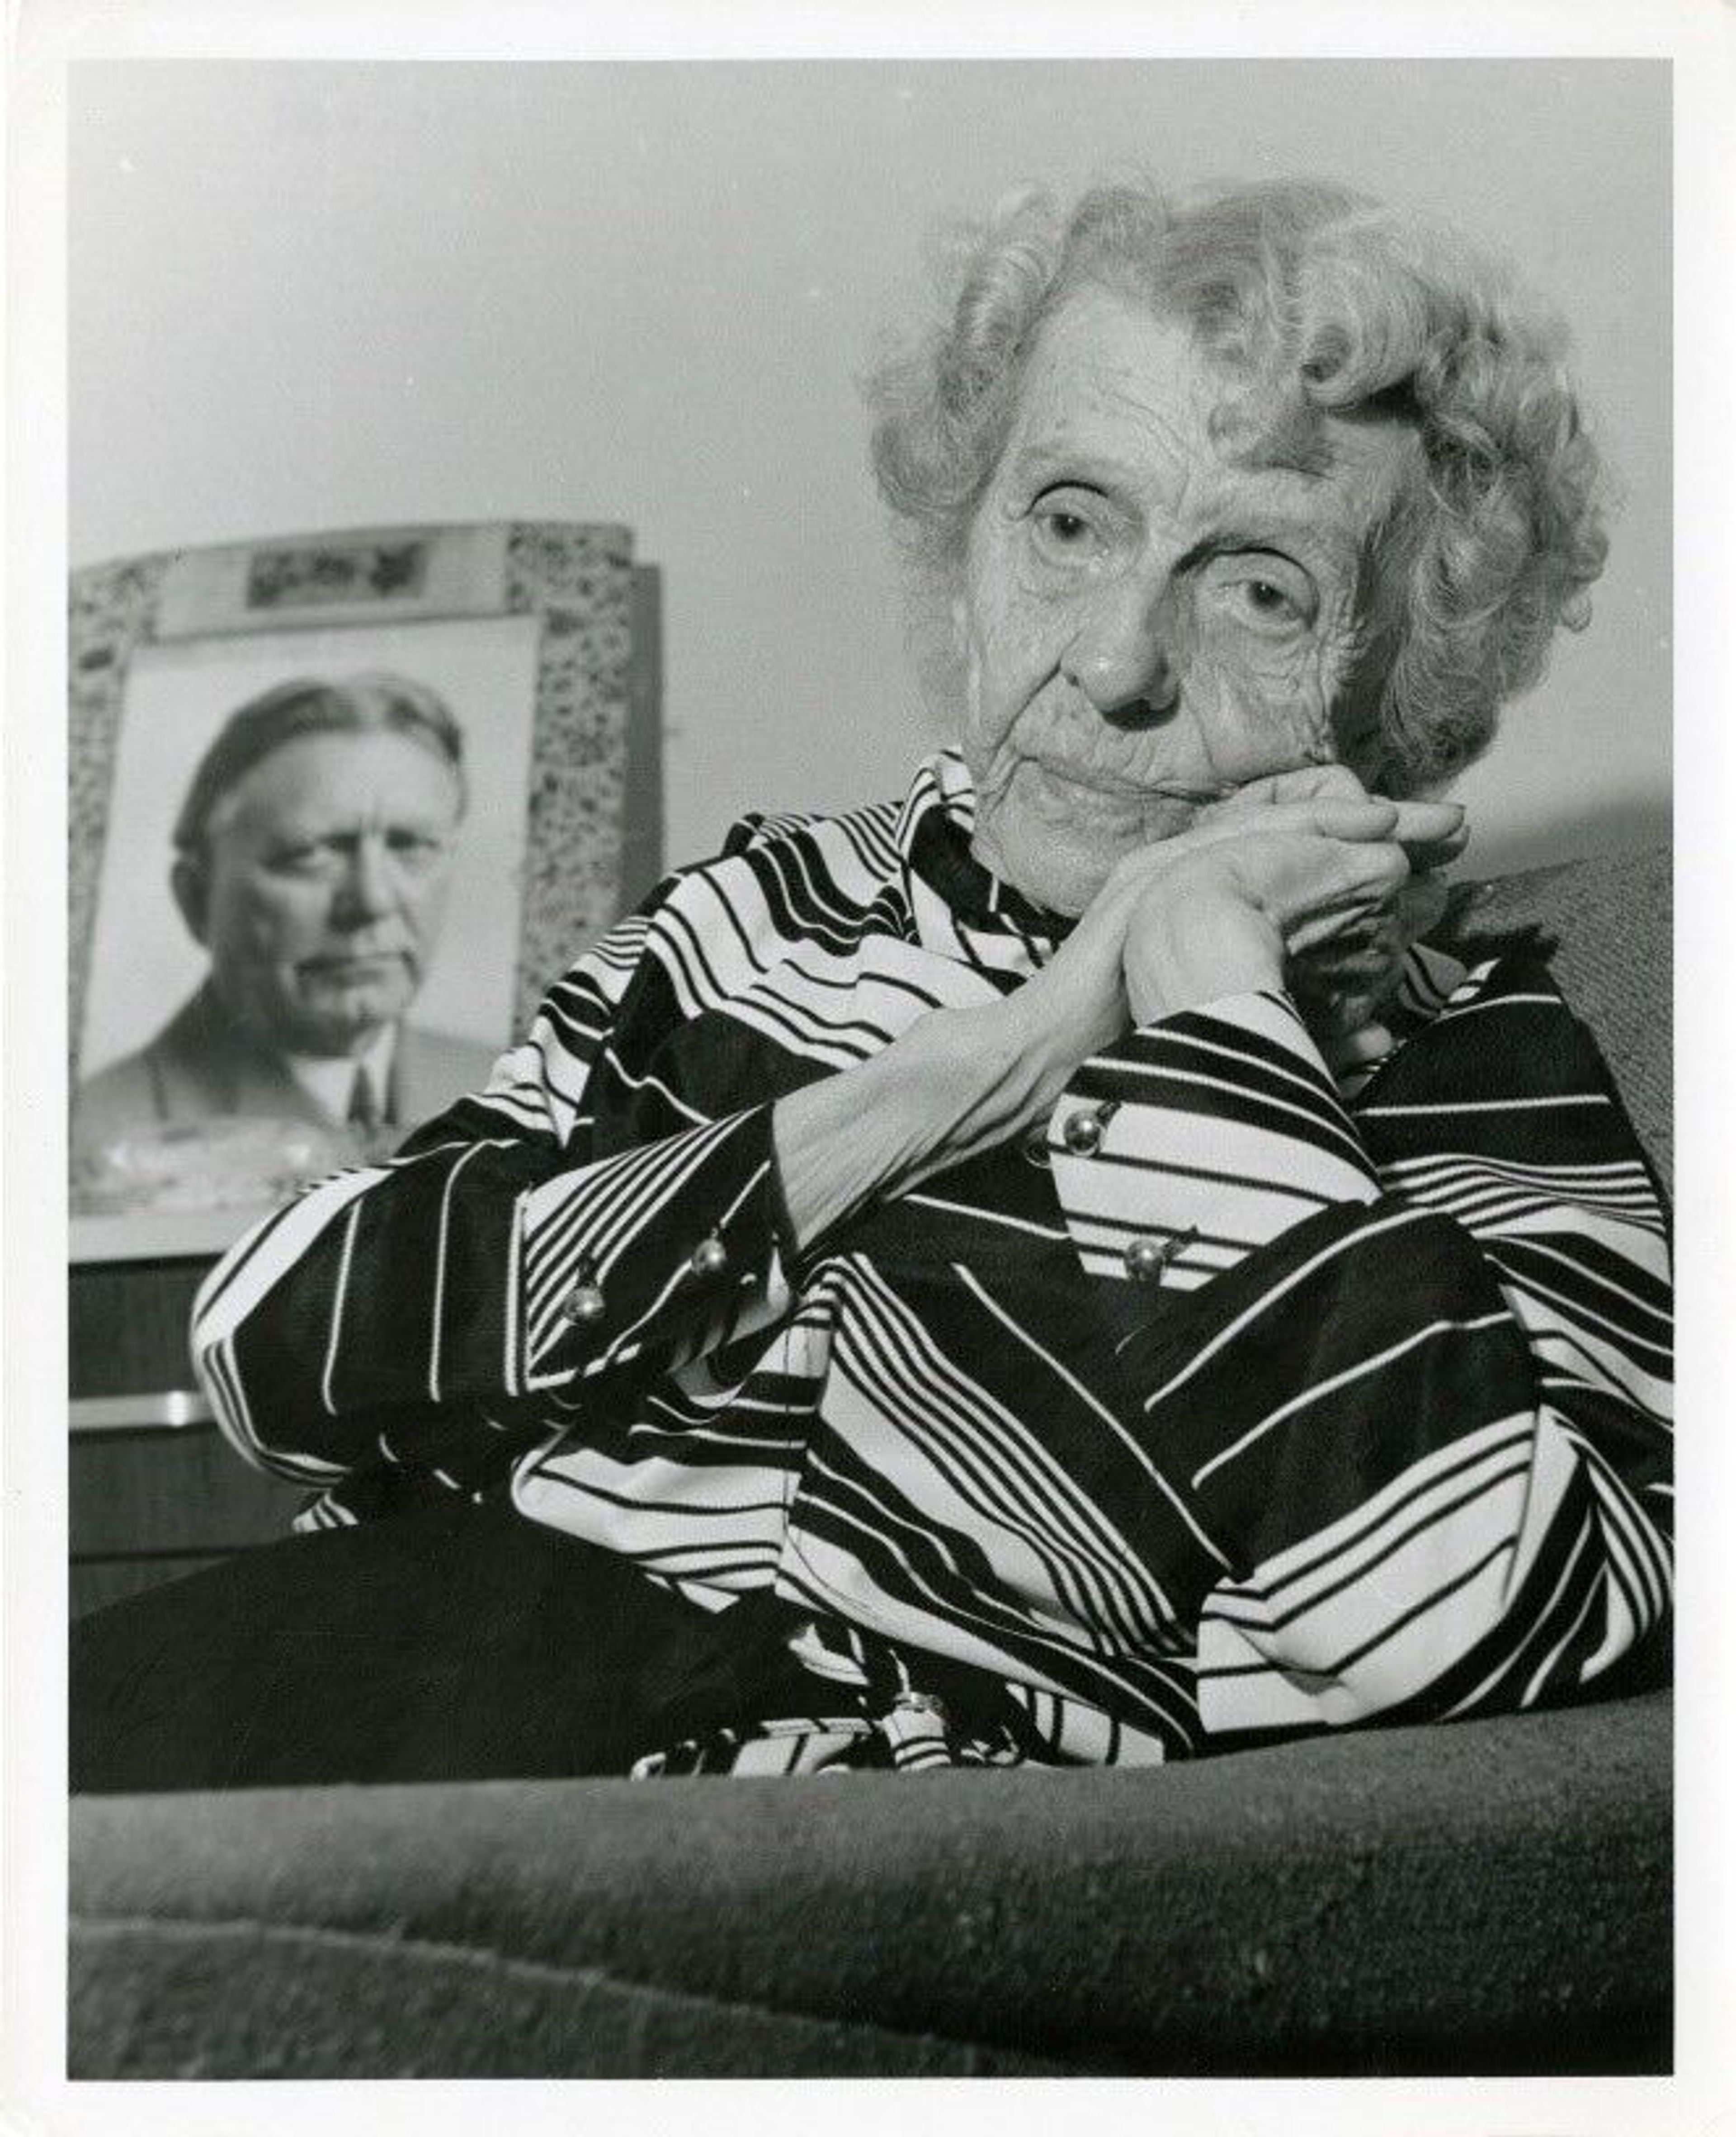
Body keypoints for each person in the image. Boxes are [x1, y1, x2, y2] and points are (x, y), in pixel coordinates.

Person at [73, 178, 1670, 1790]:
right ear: (968, 541)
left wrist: (1200, 989)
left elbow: (1482, 1613)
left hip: (854, 1850)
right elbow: (276, 1336)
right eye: (1068, 521)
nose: (1113, 660)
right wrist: (1009, 1051)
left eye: (1258, 586)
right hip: (409, 1679)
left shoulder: (1456, 1059)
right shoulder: (765, 916)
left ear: (1404, 674)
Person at [73, 672, 497, 1158]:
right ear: (195, 898)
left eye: (410, 846)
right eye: (309, 854)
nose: (373, 901)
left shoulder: (518, 1094)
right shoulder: (90, 1143)